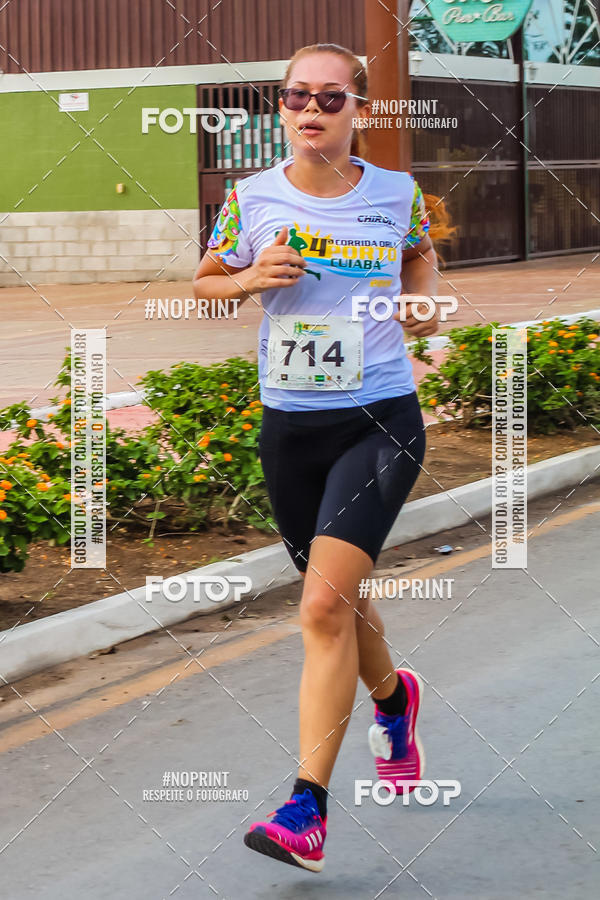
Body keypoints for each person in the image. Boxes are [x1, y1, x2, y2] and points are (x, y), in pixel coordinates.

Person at [192, 42, 439, 873]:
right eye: (297, 95)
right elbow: (203, 282)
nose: (311, 108)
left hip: (380, 420)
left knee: (323, 609)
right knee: (339, 601)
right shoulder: (250, 197)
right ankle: (393, 697)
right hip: (290, 427)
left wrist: (424, 303)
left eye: (330, 97)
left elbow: (421, 256)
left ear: (357, 110)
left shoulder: (398, 193)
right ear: (284, 107)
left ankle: (307, 808)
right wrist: (249, 277)